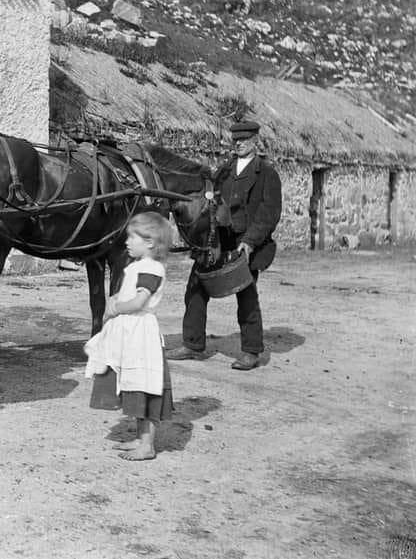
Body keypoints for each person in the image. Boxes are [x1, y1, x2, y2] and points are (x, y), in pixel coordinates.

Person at [166, 119, 283, 371]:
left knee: (246, 295)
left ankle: (252, 351)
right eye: (236, 140)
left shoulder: (267, 173)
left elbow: (269, 214)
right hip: (217, 240)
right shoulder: (224, 171)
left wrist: (250, 242)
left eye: (244, 140)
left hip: (244, 243)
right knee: (195, 287)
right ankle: (193, 343)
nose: (239, 143)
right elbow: (210, 201)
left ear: (255, 141)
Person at [84, 211, 174, 461]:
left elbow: (139, 301)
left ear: (150, 242)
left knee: (146, 385)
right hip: (130, 333)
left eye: (132, 237)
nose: (126, 242)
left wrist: (116, 308)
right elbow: (129, 295)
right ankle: (140, 438)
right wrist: (116, 300)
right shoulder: (137, 266)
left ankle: (148, 445)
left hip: (141, 334)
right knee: (134, 384)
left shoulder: (152, 268)